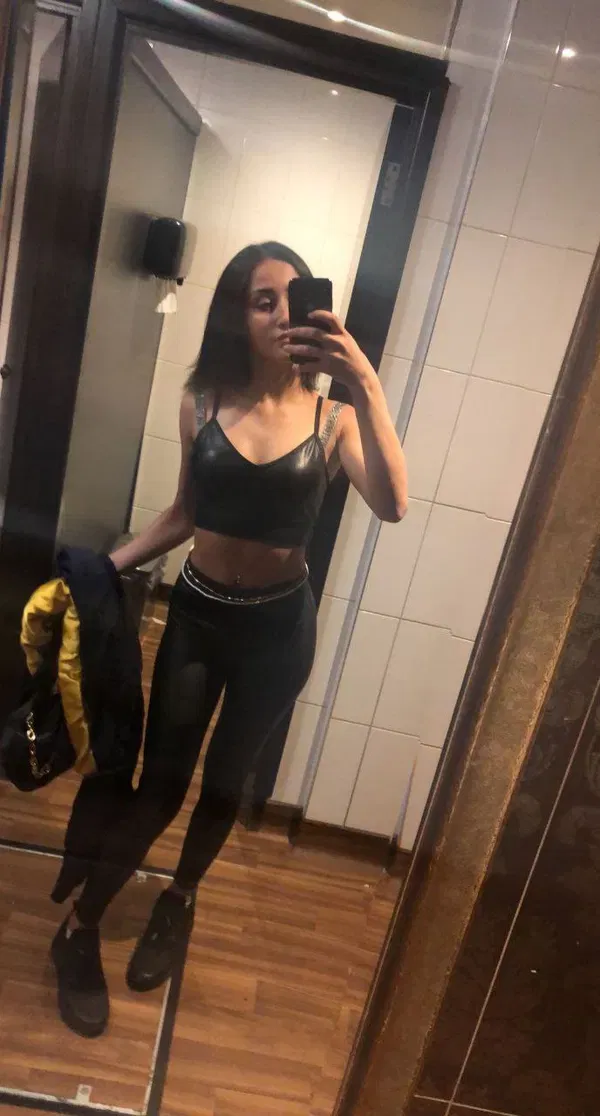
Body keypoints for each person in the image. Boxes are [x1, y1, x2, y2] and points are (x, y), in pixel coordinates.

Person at [51, 241, 408, 1037]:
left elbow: (393, 504)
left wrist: (365, 380)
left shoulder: (336, 418)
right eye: (261, 299)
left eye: (293, 298)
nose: (280, 314)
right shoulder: (202, 402)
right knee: (160, 787)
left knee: (225, 786)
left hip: (279, 633)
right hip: (199, 619)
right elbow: (185, 514)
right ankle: (79, 927)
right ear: (236, 315)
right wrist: (103, 569)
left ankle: (178, 901)